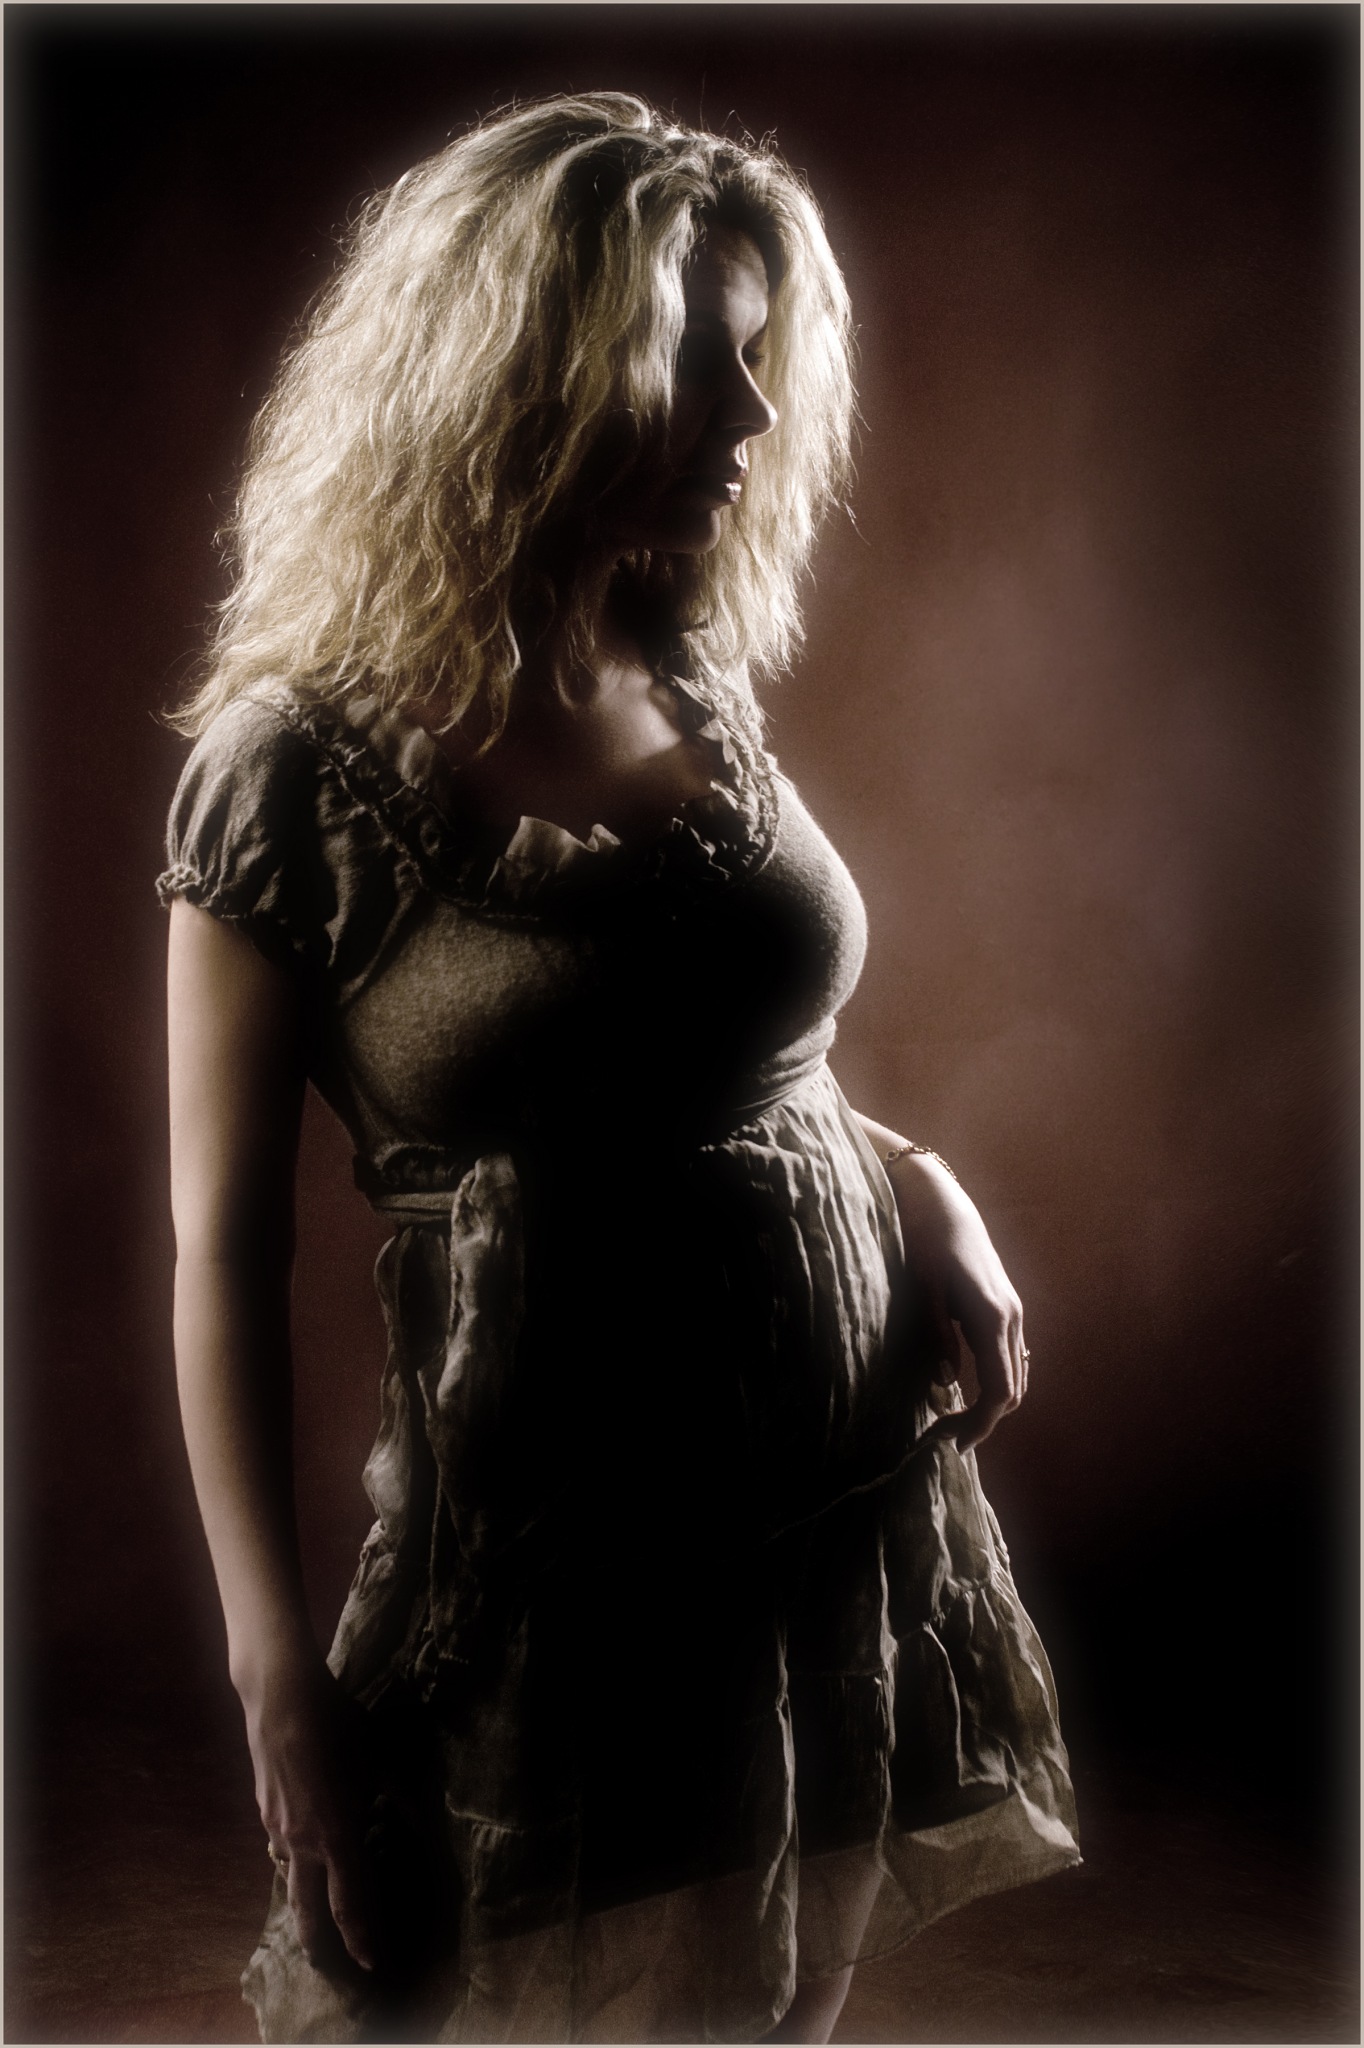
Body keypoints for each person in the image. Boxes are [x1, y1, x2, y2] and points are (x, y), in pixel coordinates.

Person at [161, 92, 1079, 2047]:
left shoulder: (679, 653)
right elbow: (221, 1254)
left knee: (776, 1998)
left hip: (834, 1488)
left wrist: (916, 1179)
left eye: (760, 358)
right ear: (520, 372)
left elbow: (710, 1051)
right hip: (559, 1562)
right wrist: (274, 1677)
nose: (754, 413)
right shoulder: (287, 772)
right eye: (700, 361)